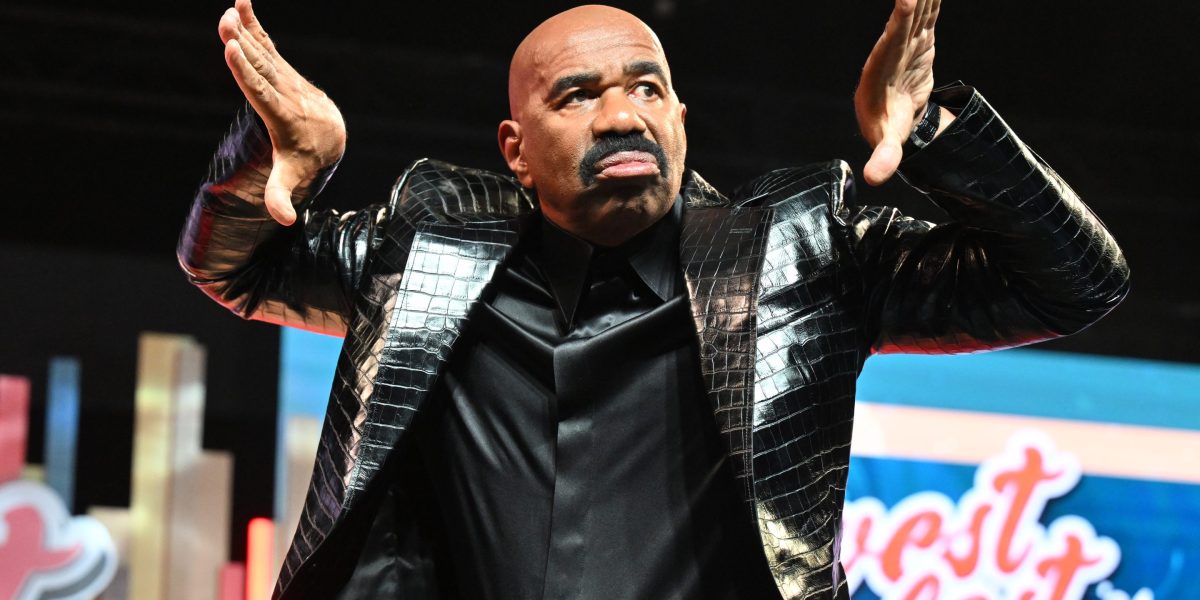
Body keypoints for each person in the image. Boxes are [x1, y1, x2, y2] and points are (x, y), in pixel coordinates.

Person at [177, 1, 1130, 598]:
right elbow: (234, 267)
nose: (621, 115)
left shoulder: (801, 251)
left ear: (679, 116)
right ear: (515, 149)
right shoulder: (427, 243)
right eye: (577, 96)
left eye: (646, 88)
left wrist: (934, 136)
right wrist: (275, 157)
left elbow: (1075, 282)